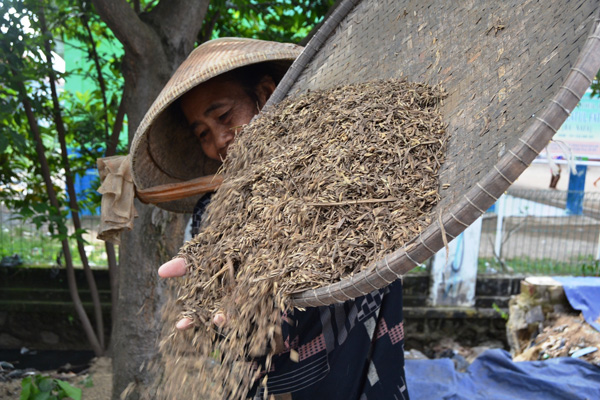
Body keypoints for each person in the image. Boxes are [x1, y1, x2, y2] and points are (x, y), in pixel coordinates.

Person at [131, 37, 409, 399]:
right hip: (263, 386)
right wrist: (228, 313)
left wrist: (281, 307)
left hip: (360, 373)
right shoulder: (211, 212)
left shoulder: (344, 177)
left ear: (265, 94)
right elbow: (221, 318)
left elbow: (361, 257)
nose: (219, 140)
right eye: (203, 133)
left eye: (224, 116)